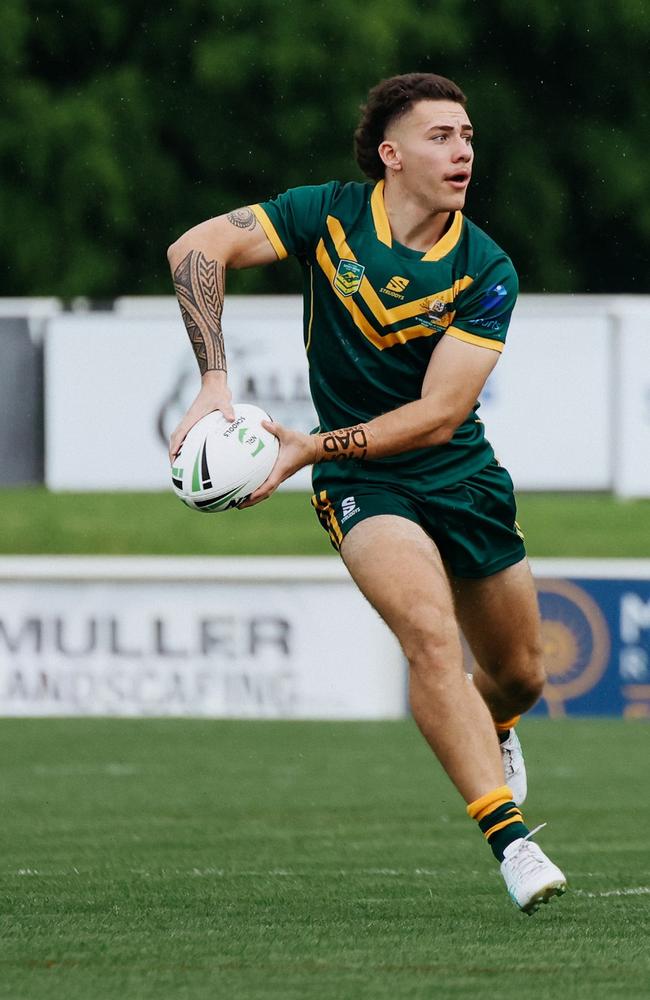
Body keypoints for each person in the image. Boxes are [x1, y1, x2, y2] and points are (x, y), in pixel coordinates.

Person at [167, 72, 566, 914]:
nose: (461, 151)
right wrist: (214, 381)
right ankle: (512, 841)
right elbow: (194, 248)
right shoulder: (331, 214)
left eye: (467, 137)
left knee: (522, 675)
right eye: (440, 136)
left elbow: (439, 413)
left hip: (458, 475)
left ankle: (496, 726)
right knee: (428, 639)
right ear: (391, 154)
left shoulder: (485, 266)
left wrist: (310, 445)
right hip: (361, 483)